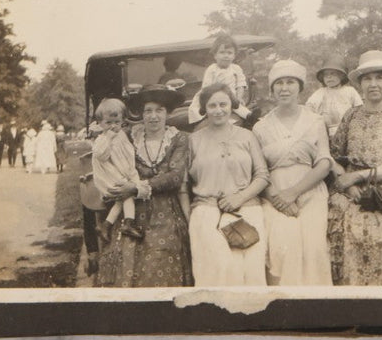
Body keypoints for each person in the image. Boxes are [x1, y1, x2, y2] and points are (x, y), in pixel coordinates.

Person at [327, 49, 382, 286]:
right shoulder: (352, 115)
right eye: (367, 78)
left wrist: (358, 176)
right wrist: (347, 185)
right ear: (359, 84)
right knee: (340, 241)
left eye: (379, 78)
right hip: (351, 193)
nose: (373, 84)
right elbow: (334, 156)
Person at [96, 85, 194, 287]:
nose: (153, 116)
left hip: (165, 209)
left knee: (165, 253)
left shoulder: (179, 139)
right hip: (132, 210)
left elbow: (175, 177)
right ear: (141, 114)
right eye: (148, 111)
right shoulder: (130, 136)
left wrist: (135, 188)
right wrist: (110, 185)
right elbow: (106, 158)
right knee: (126, 253)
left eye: (159, 110)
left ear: (167, 113)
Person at [253, 60, 334, 286]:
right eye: (279, 83)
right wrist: (279, 198)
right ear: (272, 89)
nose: (284, 88)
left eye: (290, 82)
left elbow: (324, 163)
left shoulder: (315, 121)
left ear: (300, 87)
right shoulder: (261, 127)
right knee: (284, 246)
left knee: (313, 247)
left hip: (310, 191)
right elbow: (259, 171)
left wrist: (294, 192)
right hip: (274, 195)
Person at [185, 84, 271, 286]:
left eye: (223, 104)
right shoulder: (193, 141)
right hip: (206, 211)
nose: (218, 110)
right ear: (204, 109)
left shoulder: (246, 136)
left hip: (246, 208)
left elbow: (262, 175)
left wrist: (239, 197)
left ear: (232, 106)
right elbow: (184, 184)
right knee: (216, 271)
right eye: (212, 105)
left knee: (251, 272)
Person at [92, 98, 143, 241]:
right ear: (100, 123)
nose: (113, 126)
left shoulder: (121, 135)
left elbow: (126, 154)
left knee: (122, 200)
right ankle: (128, 223)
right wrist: (108, 138)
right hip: (109, 175)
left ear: (122, 121)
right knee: (127, 195)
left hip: (120, 172)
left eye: (117, 122)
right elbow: (101, 155)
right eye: (108, 123)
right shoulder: (103, 138)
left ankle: (106, 225)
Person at [187, 33, 250, 125]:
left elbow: (240, 84)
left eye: (229, 53)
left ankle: (250, 117)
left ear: (234, 55)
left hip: (232, 99)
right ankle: (203, 116)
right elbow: (206, 88)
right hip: (214, 97)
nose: (226, 56)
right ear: (215, 55)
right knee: (203, 111)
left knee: (240, 108)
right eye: (222, 52)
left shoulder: (236, 68)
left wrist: (239, 97)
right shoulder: (212, 69)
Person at [305, 61, 362, 134]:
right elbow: (310, 106)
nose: (329, 77)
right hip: (325, 130)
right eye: (326, 75)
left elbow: (359, 108)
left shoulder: (350, 91)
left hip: (347, 129)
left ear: (341, 76)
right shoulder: (321, 92)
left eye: (333, 73)